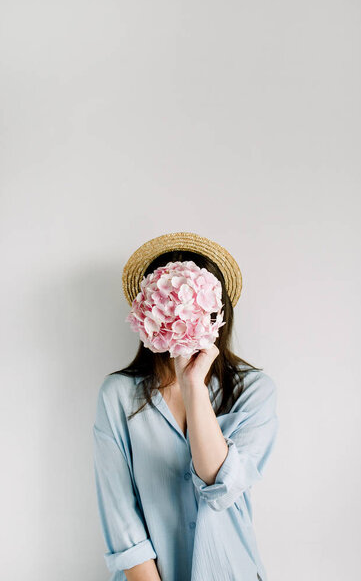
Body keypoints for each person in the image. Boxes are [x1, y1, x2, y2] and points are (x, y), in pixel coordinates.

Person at [93, 231, 279, 581]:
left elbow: (218, 484)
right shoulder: (117, 395)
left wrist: (193, 383)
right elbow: (119, 514)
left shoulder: (255, 392)